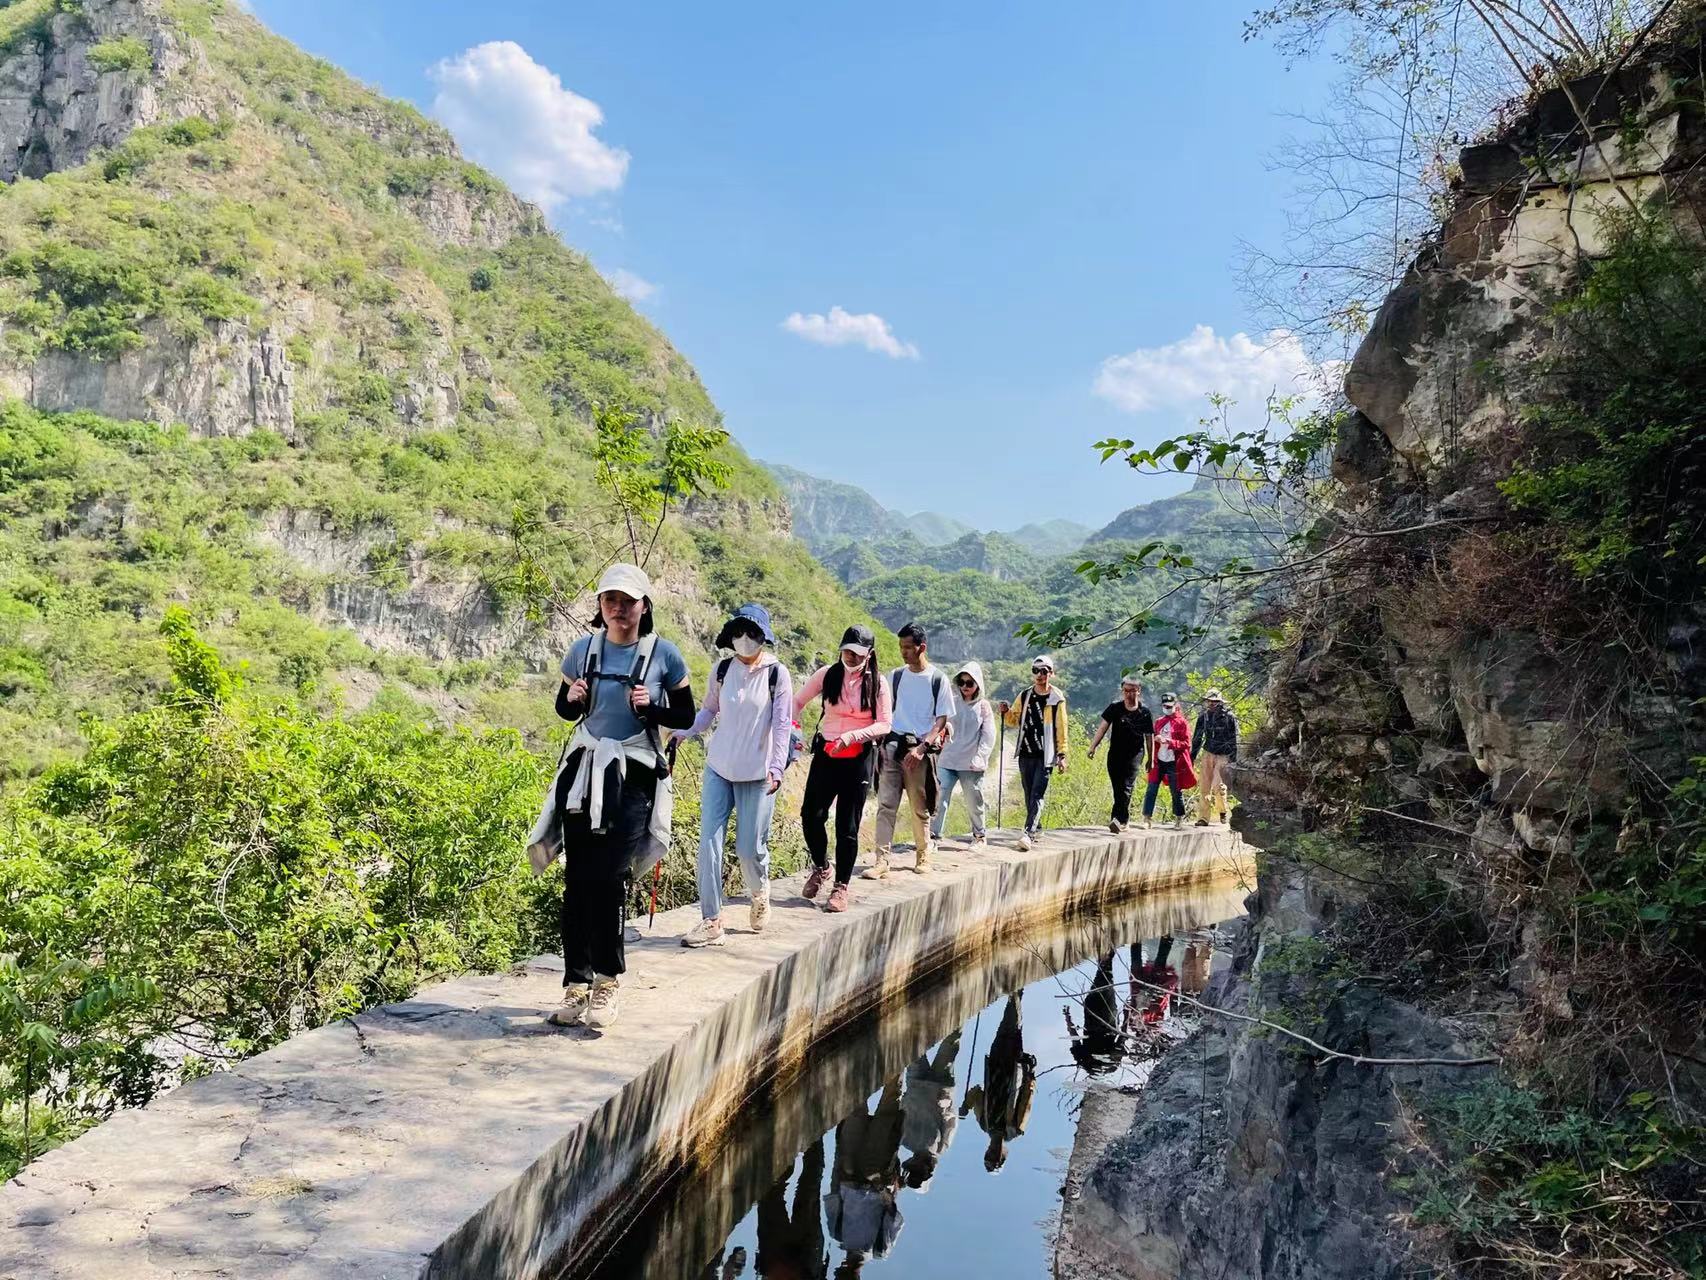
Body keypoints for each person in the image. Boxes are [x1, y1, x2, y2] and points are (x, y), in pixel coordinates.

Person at [536, 563, 694, 1030]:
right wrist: (576, 697)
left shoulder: (664, 655)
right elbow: (564, 710)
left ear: (645, 606)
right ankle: (576, 985)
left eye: (628, 601)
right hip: (584, 772)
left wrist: (652, 706)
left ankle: (607, 981)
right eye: (610, 601)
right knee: (578, 881)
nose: (619, 610)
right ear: (601, 607)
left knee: (608, 878)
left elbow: (682, 715)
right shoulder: (582, 651)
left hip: (634, 776)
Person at [680, 604, 794, 949]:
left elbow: (782, 724)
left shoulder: (777, 674)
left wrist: (776, 767)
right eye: (739, 633)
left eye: (753, 633)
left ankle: (759, 892)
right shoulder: (721, 670)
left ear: (764, 637)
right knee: (709, 845)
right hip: (720, 767)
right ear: (731, 636)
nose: (745, 640)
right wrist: (687, 730)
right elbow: (709, 710)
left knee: (748, 848)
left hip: (758, 773)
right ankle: (712, 920)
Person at [793, 626, 892, 913]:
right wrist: (791, 730)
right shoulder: (828, 674)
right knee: (811, 815)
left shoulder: (878, 684)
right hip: (827, 753)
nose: (850, 656)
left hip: (858, 757)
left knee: (847, 825)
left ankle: (841, 886)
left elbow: (885, 723)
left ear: (868, 654)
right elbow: (797, 701)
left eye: (857, 653)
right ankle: (822, 866)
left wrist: (852, 736)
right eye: (846, 650)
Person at [867, 623, 953, 879]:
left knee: (919, 805)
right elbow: (884, 712)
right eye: (901, 647)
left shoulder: (938, 679)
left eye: (907, 647)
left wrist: (923, 748)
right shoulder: (895, 676)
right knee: (886, 804)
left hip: (919, 749)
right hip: (892, 746)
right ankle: (882, 860)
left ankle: (923, 855)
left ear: (921, 648)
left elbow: (941, 720)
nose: (903, 652)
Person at [824, 1076, 906, 1269]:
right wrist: (882, 1186)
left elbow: (834, 1194)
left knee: (853, 1108)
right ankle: (895, 1063)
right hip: (876, 1174)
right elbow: (893, 1215)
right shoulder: (879, 1249)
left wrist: (842, 1162)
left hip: (849, 1171)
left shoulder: (837, 1234)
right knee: (888, 1108)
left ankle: (854, 1063)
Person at [959, 993, 1037, 1172]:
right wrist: (1031, 1074)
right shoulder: (1015, 1130)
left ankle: (1016, 994)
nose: (993, 1152)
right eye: (996, 1156)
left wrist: (966, 1105)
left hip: (995, 1065)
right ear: (1003, 1155)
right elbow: (1026, 1100)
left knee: (1005, 1029)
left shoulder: (984, 1123)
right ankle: (1015, 992)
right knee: (1013, 1027)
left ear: (986, 1151)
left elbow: (978, 1092)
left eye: (989, 1155)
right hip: (1012, 1067)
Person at [998, 655, 1069, 851]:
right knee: (1029, 792)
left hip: (1046, 754)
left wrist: (1062, 755)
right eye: (1036, 671)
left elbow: (1061, 727)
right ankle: (1037, 827)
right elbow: (1014, 721)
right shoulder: (1025, 695)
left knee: (1037, 793)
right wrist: (1005, 712)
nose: (1040, 675)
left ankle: (1028, 833)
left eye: (1044, 671)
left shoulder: (1056, 698)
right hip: (1026, 752)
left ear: (1051, 673)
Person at [930, 662, 994, 850]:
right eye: (962, 682)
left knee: (974, 800)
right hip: (948, 759)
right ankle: (934, 836)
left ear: (978, 685)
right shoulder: (951, 701)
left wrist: (981, 757)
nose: (965, 687)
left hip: (971, 763)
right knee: (939, 798)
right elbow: (940, 723)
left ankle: (980, 835)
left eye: (970, 683)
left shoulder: (983, 707)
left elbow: (988, 735)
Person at [1086, 675, 1153, 833]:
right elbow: (1103, 728)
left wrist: (1151, 758)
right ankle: (1122, 818)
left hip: (1135, 754)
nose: (1129, 694)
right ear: (1122, 691)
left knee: (1126, 786)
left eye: (1132, 691)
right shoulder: (1115, 708)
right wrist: (1093, 746)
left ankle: (1118, 820)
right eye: (1126, 691)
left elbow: (1149, 737)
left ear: (1139, 691)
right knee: (1117, 787)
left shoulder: (1144, 712)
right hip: (1115, 753)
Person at [755, 1138, 829, 1280]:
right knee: (809, 1188)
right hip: (804, 1263)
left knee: (773, 1192)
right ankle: (812, 1132)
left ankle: (791, 1139)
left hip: (780, 1260)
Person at [899, 1029, 961, 1191]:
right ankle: (956, 1015)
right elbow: (951, 1120)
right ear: (927, 1170)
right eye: (919, 1170)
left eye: (913, 1169)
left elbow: (901, 1111)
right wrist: (946, 1103)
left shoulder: (904, 1140)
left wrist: (906, 1095)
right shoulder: (941, 1148)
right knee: (951, 1041)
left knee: (910, 1042)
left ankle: (913, 1012)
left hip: (916, 1083)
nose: (916, 1165)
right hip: (940, 1087)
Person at [1142, 693, 1196, 830]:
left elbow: (1186, 743)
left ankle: (1179, 817)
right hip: (1159, 760)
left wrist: (1170, 742)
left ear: (1175, 706)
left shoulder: (1182, 723)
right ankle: (1147, 817)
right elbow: (1151, 738)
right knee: (1151, 789)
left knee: (1176, 791)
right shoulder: (1159, 722)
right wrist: (1156, 740)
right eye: (1165, 706)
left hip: (1174, 761)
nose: (1167, 708)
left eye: (1170, 706)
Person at [1191, 687, 1239, 826]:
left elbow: (1235, 738)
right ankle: (1203, 818)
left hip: (1224, 754)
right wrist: (1192, 757)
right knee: (1204, 786)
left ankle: (1223, 811)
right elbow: (1197, 738)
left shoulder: (1230, 717)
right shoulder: (1204, 717)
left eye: (1215, 701)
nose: (1212, 704)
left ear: (1220, 702)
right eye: (1210, 701)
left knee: (1218, 785)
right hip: (1208, 752)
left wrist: (1234, 759)